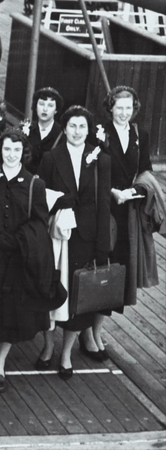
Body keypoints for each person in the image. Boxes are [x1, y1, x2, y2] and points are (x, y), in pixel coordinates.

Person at [35, 106, 111, 379]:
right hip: (57, 234)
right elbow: (40, 194)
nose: (77, 132)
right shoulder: (51, 157)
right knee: (51, 290)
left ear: (89, 130)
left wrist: (103, 244)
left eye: (82, 126)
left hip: (85, 236)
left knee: (78, 296)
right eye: (72, 126)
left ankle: (66, 353)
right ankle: (47, 346)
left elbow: (103, 204)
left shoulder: (100, 159)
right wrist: (59, 201)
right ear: (64, 128)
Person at [0, 129, 51, 393]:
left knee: (10, 313)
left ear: (24, 153)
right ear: (0, 150)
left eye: (17, 150)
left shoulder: (34, 184)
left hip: (18, 258)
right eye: (7, 149)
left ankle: (0, 364)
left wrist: (15, 240)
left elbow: (39, 223)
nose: (11, 155)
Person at [94, 87, 152, 357]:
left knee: (117, 271)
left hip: (128, 212)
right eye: (119, 108)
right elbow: (91, 171)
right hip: (104, 209)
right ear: (110, 108)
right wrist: (111, 193)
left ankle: (96, 328)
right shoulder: (99, 133)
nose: (124, 113)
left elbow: (146, 172)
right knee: (100, 266)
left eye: (129, 108)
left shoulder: (141, 135)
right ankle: (89, 330)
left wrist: (135, 191)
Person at [25, 87, 64, 173]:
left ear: (56, 110)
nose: (45, 109)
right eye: (42, 104)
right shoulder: (26, 129)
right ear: (35, 106)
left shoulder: (62, 134)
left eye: (50, 105)